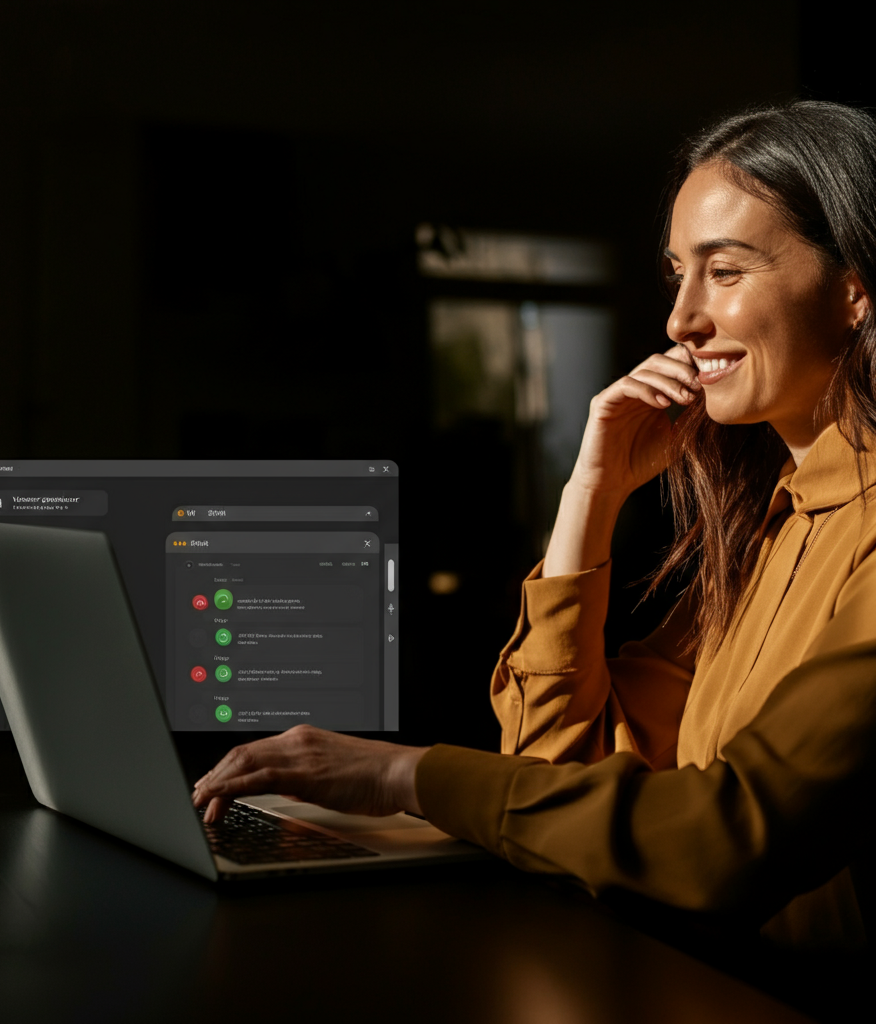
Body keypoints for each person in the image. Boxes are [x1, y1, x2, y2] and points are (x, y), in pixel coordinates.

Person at [194, 100, 876, 948]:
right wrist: (591, 492)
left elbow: (725, 837)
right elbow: (557, 771)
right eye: (678, 275)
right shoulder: (771, 525)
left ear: (854, 291)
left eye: (726, 272)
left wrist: (403, 776)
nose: (680, 319)